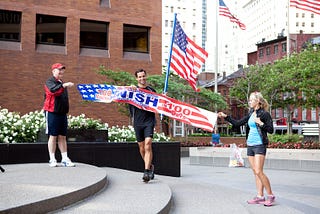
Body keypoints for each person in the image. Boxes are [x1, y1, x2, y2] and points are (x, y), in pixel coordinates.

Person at [218, 91, 275, 206]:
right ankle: (260, 196)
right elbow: (238, 123)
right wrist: (226, 117)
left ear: (258, 101)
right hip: (250, 144)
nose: (249, 102)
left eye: (251, 100)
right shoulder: (250, 114)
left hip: (260, 144)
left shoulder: (264, 114)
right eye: (249, 100)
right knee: (255, 172)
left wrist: (261, 123)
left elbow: (270, 130)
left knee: (259, 171)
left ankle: (270, 195)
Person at [43, 63, 75, 167]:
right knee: (53, 136)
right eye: (59, 70)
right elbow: (53, 91)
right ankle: (52, 159)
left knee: (62, 136)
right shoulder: (50, 82)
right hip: (52, 112)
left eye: (62, 70)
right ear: (53, 71)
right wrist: (64, 85)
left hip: (62, 113)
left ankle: (65, 159)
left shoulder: (61, 82)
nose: (61, 72)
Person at [129, 69, 156, 182]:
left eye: (143, 76)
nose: (142, 78)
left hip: (149, 121)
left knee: (148, 144)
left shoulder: (151, 91)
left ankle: (146, 172)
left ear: (146, 76)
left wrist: (164, 97)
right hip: (137, 122)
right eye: (139, 77)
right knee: (141, 147)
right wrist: (131, 88)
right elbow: (122, 94)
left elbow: (160, 102)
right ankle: (150, 166)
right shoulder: (133, 90)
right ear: (136, 79)